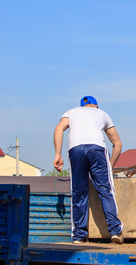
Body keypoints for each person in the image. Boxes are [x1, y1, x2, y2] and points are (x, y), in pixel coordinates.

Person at [53, 96, 124, 244]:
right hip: (97, 148)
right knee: (106, 190)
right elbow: (118, 144)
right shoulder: (102, 114)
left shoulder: (71, 112)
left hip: (76, 148)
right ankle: (115, 231)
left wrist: (58, 154)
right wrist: (109, 166)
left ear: (81, 107)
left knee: (78, 192)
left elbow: (59, 129)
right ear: (96, 106)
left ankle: (79, 235)